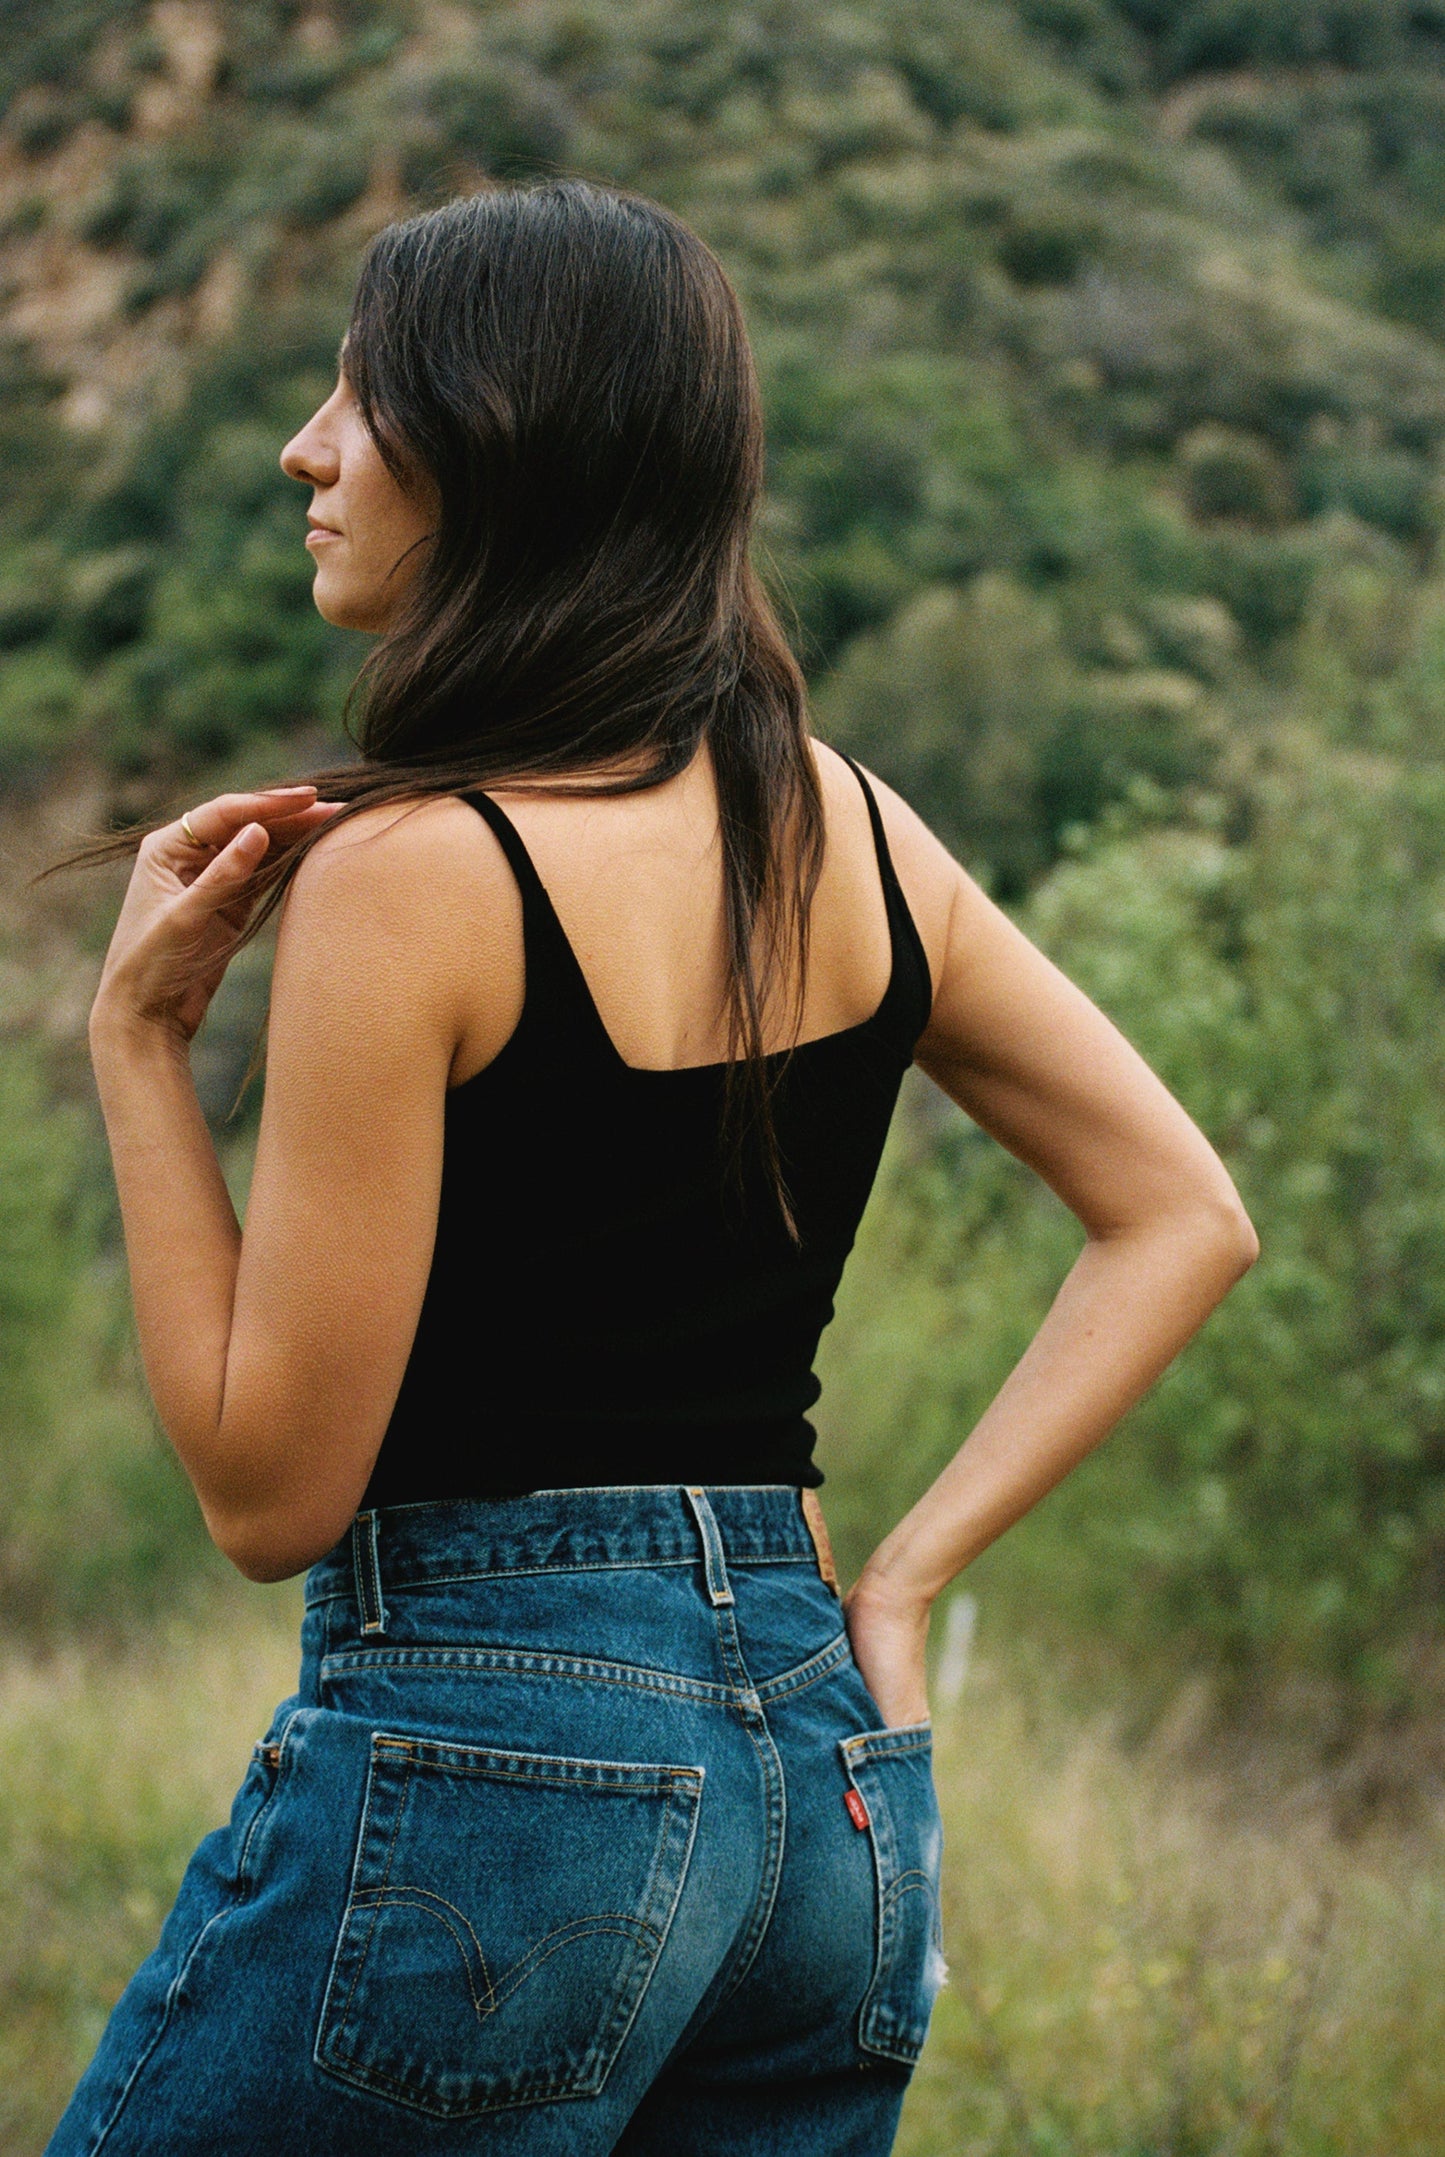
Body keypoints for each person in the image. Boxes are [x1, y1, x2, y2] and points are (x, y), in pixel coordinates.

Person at [47, 180, 1257, 2157]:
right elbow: (1183, 1208)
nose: (307, 444)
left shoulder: (416, 878)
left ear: (502, 443)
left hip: (502, 1769)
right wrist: (910, 1569)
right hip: (826, 1802)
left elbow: (267, 1489)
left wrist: (138, 1045)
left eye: (365, 393)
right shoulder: (850, 826)